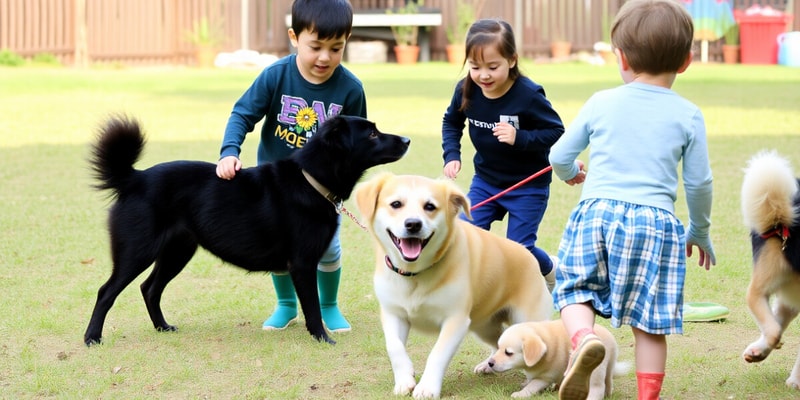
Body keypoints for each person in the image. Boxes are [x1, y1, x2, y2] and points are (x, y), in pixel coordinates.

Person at [547, 1, 716, 399]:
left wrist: (572, 175)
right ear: (687, 61)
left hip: (597, 212)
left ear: (620, 58)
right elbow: (699, 184)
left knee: (573, 290)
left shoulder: (601, 101)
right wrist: (700, 231)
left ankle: (585, 337)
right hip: (656, 222)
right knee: (651, 322)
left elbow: (558, 157)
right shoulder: (688, 114)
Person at [216, 0, 364, 333]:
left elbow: (357, 144)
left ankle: (328, 306)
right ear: (294, 37)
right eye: (316, 47)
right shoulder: (275, 76)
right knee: (280, 248)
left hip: (321, 192)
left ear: (347, 40)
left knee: (328, 249)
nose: (324, 57)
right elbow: (242, 115)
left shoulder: (351, 90)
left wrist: (343, 189)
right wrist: (229, 151)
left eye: (335, 47)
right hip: (275, 189)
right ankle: (286, 305)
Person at [441, 18, 565, 291]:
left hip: (527, 186)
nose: (483, 75)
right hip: (487, 182)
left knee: (518, 250)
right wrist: (452, 154)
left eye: (492, 67)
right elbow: (452, 121)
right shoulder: (466, 90)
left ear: (512, 60)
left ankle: (551, 268)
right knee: (465, 234)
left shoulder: (529, 95)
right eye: (475, 67)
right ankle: (466, 290)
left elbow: (556, 131)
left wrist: (519, 137)